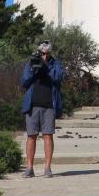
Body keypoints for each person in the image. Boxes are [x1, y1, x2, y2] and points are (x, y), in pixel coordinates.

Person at [20, 40, 64, 178]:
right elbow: (24, 82)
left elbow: (57, 79)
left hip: (49, 105)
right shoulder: (32, 62)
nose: (43, 56)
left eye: (46, 53)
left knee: (47, 136)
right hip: (32, 105)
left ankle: (47, 168)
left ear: (50, 52)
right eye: (42, 53)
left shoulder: (56, 64)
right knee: (31, 136)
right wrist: (34, 69)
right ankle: (29, 168)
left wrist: (46, 67)